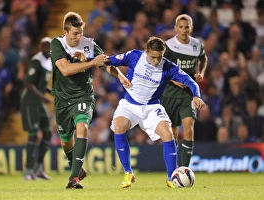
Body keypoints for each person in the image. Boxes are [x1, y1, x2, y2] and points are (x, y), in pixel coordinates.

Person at [104, 36, 205, 188]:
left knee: (168, 134)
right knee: (118, 126)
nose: (157, 61)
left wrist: (196, 95)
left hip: (151, 107)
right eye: (153, 57)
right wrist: (119, 75)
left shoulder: (168, 67)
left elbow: (190, 81)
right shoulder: (134, 56)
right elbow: (107, 62)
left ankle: (171, 178)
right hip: (130, 104)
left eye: (160, 57)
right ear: (146, 51)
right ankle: (128, 173)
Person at [50, 12, 130, 189]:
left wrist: (121, 77)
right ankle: (77, 168)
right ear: (65, 32)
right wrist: (90, 63)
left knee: (82, 127)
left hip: (83, 95)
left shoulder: (90, 44)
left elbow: (105, 63)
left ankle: (73, 179)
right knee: (65, 141)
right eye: (74, 34)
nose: (79, 37)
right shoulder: (57, 44)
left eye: (80, 33)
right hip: (62, 99)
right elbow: (65, 69)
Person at [161, 14, 208, 167]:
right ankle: (173, 169)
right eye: (180, 27)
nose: (183, 30)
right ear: (175, 29)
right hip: (170, 93)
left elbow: (204, 58)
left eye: (186, 27)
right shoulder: (168, 46)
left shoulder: (197, 45)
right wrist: (173, 80)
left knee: (189, 128)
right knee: (172, 132)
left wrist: (201, 72)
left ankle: (185, 169)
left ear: (191, 28)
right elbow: (159, 67)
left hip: (189, 94)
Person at [21, 37, 53, 180]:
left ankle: (38, 168)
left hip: (39, 102)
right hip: (30, 101)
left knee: (48, 133)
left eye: (49, 47)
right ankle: (28, 171)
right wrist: (44, 98)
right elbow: (28, 83)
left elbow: (40, 84)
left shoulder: (48, 62)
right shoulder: (36, 61)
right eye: (44, 46)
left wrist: (51, 91)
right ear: (41, 47)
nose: (47, 49)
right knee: (33, 134)